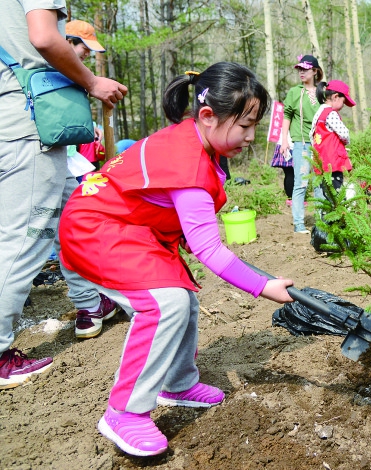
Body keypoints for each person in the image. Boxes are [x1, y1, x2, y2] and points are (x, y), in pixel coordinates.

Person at [58, 62, 294, 456]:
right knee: (163, 303)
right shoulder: (187, 163)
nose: (252, 137)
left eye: (256, 125)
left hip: (132, 228)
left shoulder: (199, 144)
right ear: (207, 116)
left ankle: (178, 383)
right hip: (95, 229)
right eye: (245, 125)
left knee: (182, 298)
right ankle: (124, 412)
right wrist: (264, 286)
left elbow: (157, 203)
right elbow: (210, 251)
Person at [0, 0, 127, 390]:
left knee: (70, 215)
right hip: (27, 123)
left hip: (11, 119)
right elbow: (42, 36)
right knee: (25, 240)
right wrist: (92, 82)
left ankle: (90, 304)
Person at [57, 19, 121, 340]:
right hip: (51, 165)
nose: (85, 55)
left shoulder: (63, 72)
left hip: (65, 163)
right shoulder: (48, 62)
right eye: (83, 48)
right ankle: (90, 303)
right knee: (61, 236)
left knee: (69, 235)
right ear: (67, 40)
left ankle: (92, 303)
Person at [279, 55, 324, 234]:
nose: (302, 72)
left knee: (321, 183)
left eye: (306, 69)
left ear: (315, 71)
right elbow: (287, 115)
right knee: (301, 183)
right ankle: (299, 224)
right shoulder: (294, 92)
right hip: (302, 144)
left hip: (320, 144)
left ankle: (322, 222)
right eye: (300, 69)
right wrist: (284, 140)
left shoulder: (322, 91)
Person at [309, 80, 356, 196]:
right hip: (333, 163)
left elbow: (312, 135)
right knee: (337, 194)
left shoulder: (319, 112)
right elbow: (344, 133)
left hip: (321, 162)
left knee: (326, 193)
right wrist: (345, 143)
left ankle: (325, 214)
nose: (343, 106)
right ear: (335, 97)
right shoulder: (331, 114)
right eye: (343, 101)